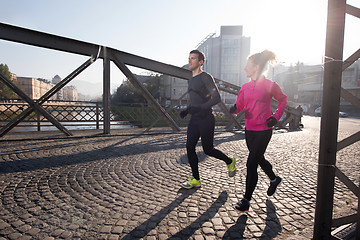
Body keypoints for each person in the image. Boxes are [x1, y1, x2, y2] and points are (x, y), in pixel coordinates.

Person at [229, 50, 287, 212]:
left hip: (264, 130)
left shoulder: (270, 85)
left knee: (251, 163)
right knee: (259, 158)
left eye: (247, 65)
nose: (244, 69)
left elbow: (283, 100)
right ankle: (274, 179)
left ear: (256, 67)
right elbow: (240, 105)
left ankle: (246, 200)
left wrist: (276, 117)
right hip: (250, 130)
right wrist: (233, 109)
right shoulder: (245, 87)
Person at [180, 49, 236, 189]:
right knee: (189, 147)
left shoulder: (206, 77)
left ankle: (229, 161)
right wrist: (188, 110)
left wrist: (200, 108)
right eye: (189, 58)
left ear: (200, 62)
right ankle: (196, 179)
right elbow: (196, 99)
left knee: (208, 149)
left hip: (206, 119)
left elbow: (216, 97)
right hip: (195, 119)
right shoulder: (191, 79)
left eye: (193, 58)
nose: (189, 61)